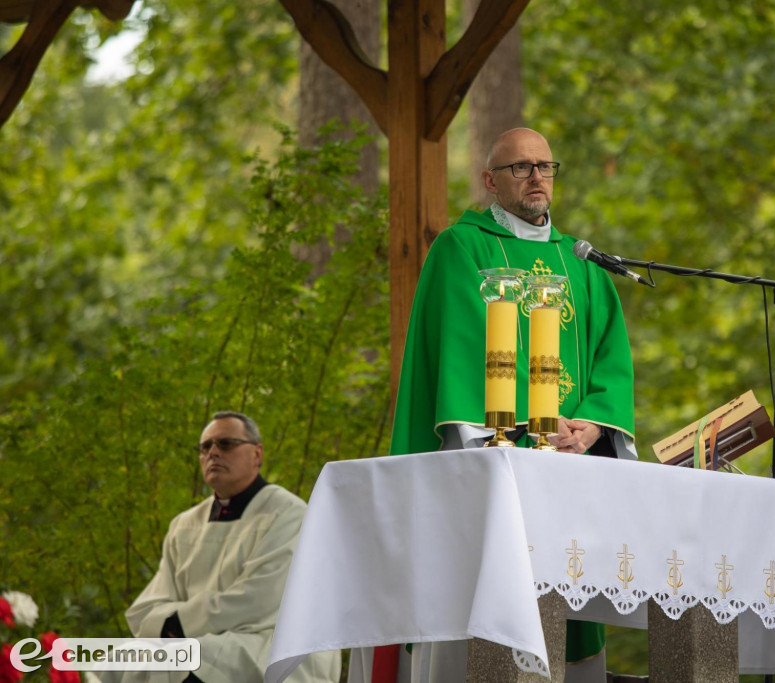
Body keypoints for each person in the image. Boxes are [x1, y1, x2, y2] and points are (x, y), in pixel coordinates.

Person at [360, 128, 636, 683]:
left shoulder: (581, 261)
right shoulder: (462, 248)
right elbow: (461, 351)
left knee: (564, 606)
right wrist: (537, 424)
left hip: (572, 467)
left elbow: (612, 358)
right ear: (490, 180)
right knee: (483, 604)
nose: (536, 176)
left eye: (545, 166)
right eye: (520, 167)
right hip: (494, 464)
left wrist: (590, 427)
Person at [113, 412, 340, 683]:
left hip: (270, 643)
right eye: (205, 447)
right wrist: (174, 626)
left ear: (257, 454)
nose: (213, 452)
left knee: (188, 659)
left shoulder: (289, 514)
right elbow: (150, 604)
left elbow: (258, 600)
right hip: (202, 639)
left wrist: (178, 624)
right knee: (117, 660)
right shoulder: (184, 524)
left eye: (226, 444)